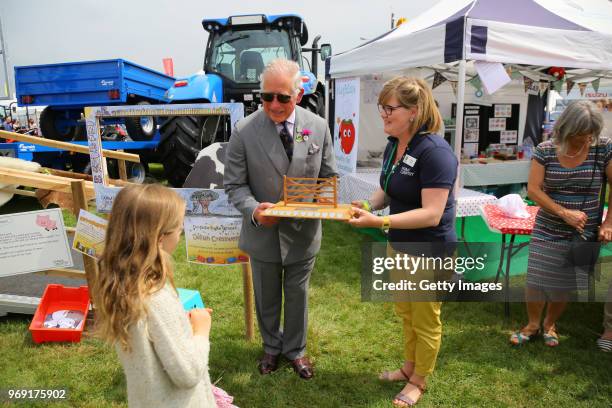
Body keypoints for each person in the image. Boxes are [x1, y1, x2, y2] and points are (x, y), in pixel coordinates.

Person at [224, 58, 337, 379]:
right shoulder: (244, 131)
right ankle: (271, 347)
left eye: (283, 98)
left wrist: (318, 203)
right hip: (263, 234)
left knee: (298, 295)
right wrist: (254, 210)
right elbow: (234, 185)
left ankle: (296, 350)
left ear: (298, 95)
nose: (274, 104)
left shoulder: (317, 126)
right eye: (266, 96)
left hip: (303, 233)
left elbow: (327, 177)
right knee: (267, 295)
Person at [349, 76, 457, 407]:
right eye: (381, 107)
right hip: (400, 246)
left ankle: (419, 382)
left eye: (389, 108)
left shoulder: (436, 152)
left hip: (429, 250)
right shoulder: (395, 144)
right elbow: (388, 188)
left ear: (413, 111)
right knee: (407, 313)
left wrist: (378, 220)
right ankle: (409, 367)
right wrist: (369, 205)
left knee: (425, 319)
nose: (382, 114)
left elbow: (432, 214)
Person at [89, 184, 217, 407]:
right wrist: (201, 330)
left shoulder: (123, 286)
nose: (181, 233)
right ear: (160, 237)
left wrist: (179, 323)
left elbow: (155, 336)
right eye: (179, 228)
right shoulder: (156, 299)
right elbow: (188, 372)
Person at [511, 100, 612, 347]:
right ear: (567, 129)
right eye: (581, 135)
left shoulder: (604, 148)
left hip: (584, 232)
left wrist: (608, 222)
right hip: (548, 226)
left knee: (565, 283)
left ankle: (550, 325)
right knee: (536, 278)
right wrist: (563, 212)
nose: (586, 141)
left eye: (591, 135)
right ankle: (533, 323)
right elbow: (534, 190)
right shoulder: (545, 150)